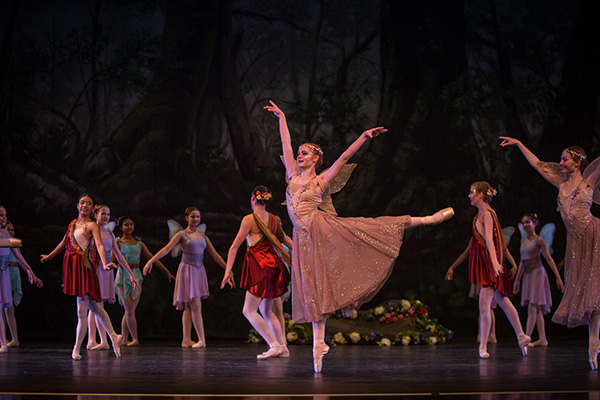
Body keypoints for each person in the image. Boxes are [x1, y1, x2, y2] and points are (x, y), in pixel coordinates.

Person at [265, 100, 454, 373]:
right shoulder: (291, 176)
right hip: (303, 240)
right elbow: (285, 143)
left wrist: (363, 137)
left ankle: (427, 219)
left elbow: (342, 158)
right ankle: (319, 344)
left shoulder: (319, 181)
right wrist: (281, 117)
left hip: (321, 229)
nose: (299, 155)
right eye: (299, 152)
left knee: (372, 227)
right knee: (314, 290)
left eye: (304, 153)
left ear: (316, 159)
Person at [500, 137, 600, 369]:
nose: (560, 162)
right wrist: (519, 144)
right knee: (586, 292)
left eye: (565, 159)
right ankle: (594, 342)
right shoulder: (560, 184)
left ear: (577, 162)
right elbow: (537, 164)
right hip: (576, 243)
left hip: (594, 237)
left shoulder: (588, 182)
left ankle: (593, 343)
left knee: (595, 289)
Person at [40, 194, 135, 360]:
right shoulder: (73, 224)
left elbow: (99, 245)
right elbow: (64, 242)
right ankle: (111, 337)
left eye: (89, 204)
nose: (85, 205)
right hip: (73, 267)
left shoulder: (92, 226)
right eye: (82, 203)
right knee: (93, 307)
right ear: (77, 205)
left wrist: (105, 264)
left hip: (85, 268)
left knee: (85, 308)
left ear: (92, 209)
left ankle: (78, 348)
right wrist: (50, 256)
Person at [445, 182, 530, 359]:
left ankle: (483, 346)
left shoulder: (488, 214)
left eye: (472, 192)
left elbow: (491, 241)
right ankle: (521, 336)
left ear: (481, 195)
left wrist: (494, 263)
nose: (469, 196)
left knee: (485, 305)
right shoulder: (481, 213)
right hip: (485, 261)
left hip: (488, 263)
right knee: (503, 300)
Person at [221, 186, 293, 359]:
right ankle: (283, 347)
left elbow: (234, 246)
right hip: (276, 268)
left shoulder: (249, 219)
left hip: (262, 269)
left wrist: (227, 272)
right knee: (267, 311)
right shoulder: (274, 219)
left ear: (253, 198)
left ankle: (274, 344)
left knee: (248, 310)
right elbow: (289, 241)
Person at [144, 207, 232, 348]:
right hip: (187, 270)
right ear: (186, 218)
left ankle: (186, 339)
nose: (195, 219)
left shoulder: (203, 236)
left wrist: (228, 270)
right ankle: (200, 339)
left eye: (198, 217)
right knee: (191, 305)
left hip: (198, 271)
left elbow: (215, 256)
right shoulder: (182, 234)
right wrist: (151, 261)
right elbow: (166, 249)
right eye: (193, 217)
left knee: (190, 307)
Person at [115, 215, 174, 346]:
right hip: (123, 276)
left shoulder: (139, 243)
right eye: (126, 225)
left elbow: (153, 258)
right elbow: (111, 258)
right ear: (121, 227)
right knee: (129, 310)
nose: (129, 227)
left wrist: (167, 272)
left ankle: (124, 338)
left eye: (131, 224)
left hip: (136, 275)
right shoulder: (118, 243)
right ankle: (135, 339)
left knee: (129, 310)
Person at [87, 205, 138, 350]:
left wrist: (131, 273)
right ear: (95, 214)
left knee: (97, 305)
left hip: (106, 270)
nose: (106, 217)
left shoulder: (109, 234)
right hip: (94, 269)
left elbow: (119, 256)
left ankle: (97, 340)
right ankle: (98, 340)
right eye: (103, 214)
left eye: (108, 214)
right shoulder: (90, 231)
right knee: (95, 305)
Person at [513, 213, 564, 347]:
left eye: (528, 222)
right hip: (528, 276)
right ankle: (542, 338)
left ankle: (526, 337)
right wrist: (517, 280)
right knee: (538, 310)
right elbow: (522, 262)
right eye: (523, 222)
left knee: (533, 306)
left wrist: (558, 277)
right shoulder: (523, 241)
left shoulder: (539, 240)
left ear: (535, 224)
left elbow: (548, 258)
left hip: (538, 274)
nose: (525, 225)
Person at [0, 211, 43, 354]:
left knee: (6, 305)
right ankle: (3, 341)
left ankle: (7, 341)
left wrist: (30, 271)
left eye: (5, 215)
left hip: (5, 272)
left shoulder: (6, 234)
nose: (3, 218)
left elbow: (18, 256)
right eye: (1, 215)